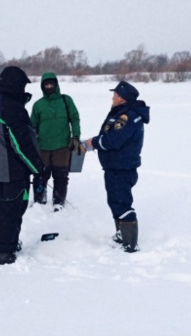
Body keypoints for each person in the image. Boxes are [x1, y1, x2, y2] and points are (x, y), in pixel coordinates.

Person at [0, 66, 44, 265]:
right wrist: (37, 168)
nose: (24, 89)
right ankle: (4, 251)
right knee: (11, 211)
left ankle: (8, 244)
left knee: (9, 209)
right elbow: (21, 143)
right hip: (13, 170)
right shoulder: (10, 108)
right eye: (22, 85)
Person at [85, 81, 150, 253]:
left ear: (121, 98)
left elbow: (113, 140)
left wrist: (94, 142)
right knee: (115, 201)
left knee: (121, 203)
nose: (112, 97)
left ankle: (130, 244)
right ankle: (122, 235)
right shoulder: (123, 112)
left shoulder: (127, 116)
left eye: (114, 94)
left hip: (120, 168)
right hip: (117, 166)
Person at [30, 72, 83, 211]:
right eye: (46, 85)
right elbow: (32, 126)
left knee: (61, 177)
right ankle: (39, 202)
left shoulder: (66, 101)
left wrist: (75, 136)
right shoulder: (38, 105)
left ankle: (58, 203)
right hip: (42, 148)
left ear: (56, 85)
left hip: (62, 147)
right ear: (42, 86)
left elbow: (75, 118)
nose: (49, 87)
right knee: (40, 177)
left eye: (51, 84)